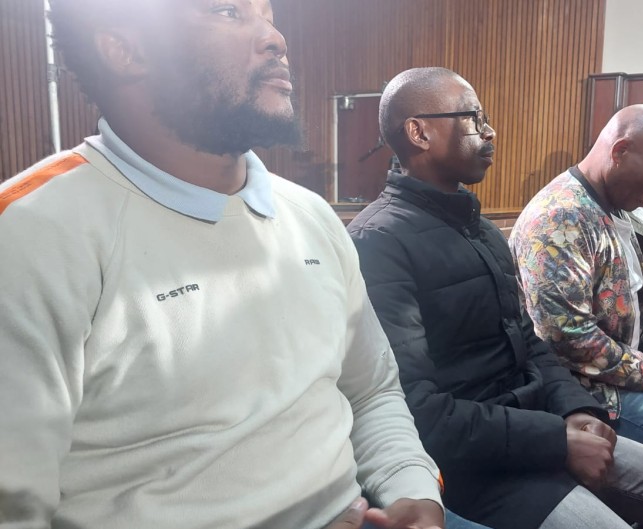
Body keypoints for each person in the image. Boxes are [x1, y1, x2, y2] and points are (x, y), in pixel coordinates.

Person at [0, 2, 467, 528]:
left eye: (268, 15)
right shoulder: (30, 234)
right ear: (125, 49)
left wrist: (412, 493)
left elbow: (372, 392)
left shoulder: (310, 215)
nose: (275, 39)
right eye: (228, 12)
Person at [348, 67, 643, 529]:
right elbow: (418, 410)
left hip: (543, 421)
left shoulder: (481, 231)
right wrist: (556, 440)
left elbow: (530, 341)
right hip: (481, 468)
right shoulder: (379, 243)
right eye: (473, 119)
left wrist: (578, 410)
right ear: (419, 132)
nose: (490, 131)